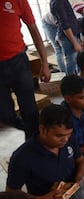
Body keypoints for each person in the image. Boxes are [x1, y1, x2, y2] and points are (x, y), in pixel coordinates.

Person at [7, 104, 84, 199]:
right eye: (59, 136)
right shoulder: (22, 157)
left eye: (68, 135)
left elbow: (82, 161)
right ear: (42, 130)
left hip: (74, 186)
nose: (65, 140)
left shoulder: (67, 139)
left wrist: (79, 180)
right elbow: (11, 192)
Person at [0, 0, 51, 140]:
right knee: (5, 115)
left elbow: (34, 31)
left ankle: (33, 143)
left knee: (30, 112)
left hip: (18, 64)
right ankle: (33, 130)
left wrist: (45, 63)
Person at [51, 0, 82, 74]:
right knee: (71, 60)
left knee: (76, 59)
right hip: (67, 36)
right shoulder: (58, 2)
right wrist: (75, 42)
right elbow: (64, 23)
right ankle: (70, 82)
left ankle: (78, 80)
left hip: (71, 33)